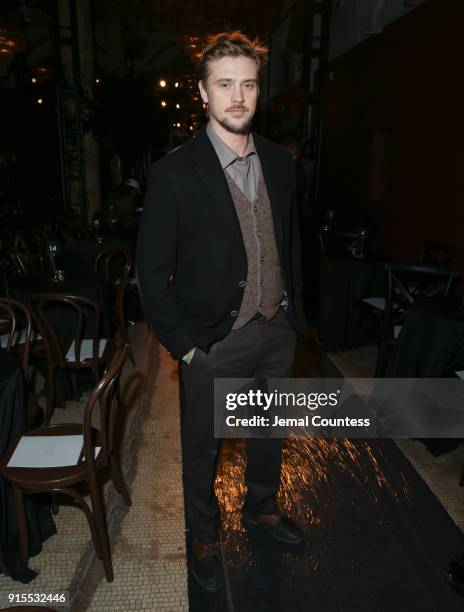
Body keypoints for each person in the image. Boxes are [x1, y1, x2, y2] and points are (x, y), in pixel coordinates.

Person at [136, 31, 308, 592]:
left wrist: (293, 317)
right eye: (225, 84)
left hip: (275, 330)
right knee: (202, 447)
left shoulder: (282, 164)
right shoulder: (174, 173)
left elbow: (293, 242)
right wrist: (184, 346)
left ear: (260, 91)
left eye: (249, 84)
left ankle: (261, 508)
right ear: (204, 94)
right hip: (212, 338)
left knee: (268, 431)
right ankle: (203, 533)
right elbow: (150, 274)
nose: (238, 96)